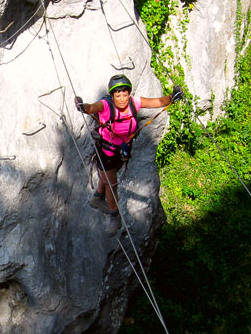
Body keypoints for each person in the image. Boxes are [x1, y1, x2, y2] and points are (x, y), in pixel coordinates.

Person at [75, 75, 183, 235]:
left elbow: (157, 102)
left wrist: (171, 97)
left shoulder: (134, 103)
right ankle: (114, 216)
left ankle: (97, 197)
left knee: (107, 178)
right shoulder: (106, 106)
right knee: (112, 186)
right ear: (112, 96)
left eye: (125, 94)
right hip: (106, 153)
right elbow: (91, 108)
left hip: (122, 151)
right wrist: (82, 106)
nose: (122, 99)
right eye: (118, 95)